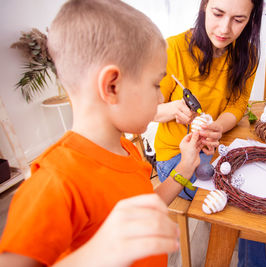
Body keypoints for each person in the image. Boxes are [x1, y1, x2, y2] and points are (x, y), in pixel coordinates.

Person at [0, 0, 202, 266]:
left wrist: (185, 168)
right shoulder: (56, 180)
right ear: (112, 86)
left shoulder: (127, 150)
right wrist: (98, 253)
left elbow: (143, 209)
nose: (162, 95)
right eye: (156, 84)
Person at [153, 0, 266, 266]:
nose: (224, 28)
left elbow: (238, 104)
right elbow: (143, 110)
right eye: (218, 13)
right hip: (177, 158)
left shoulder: (247, 54)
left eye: (239, 20)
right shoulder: (173, 49)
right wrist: (169, 108)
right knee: (242, 200)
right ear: (204, 6)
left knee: (253, 185)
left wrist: (218, 126)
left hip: (218, 148)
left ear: (251, 19)